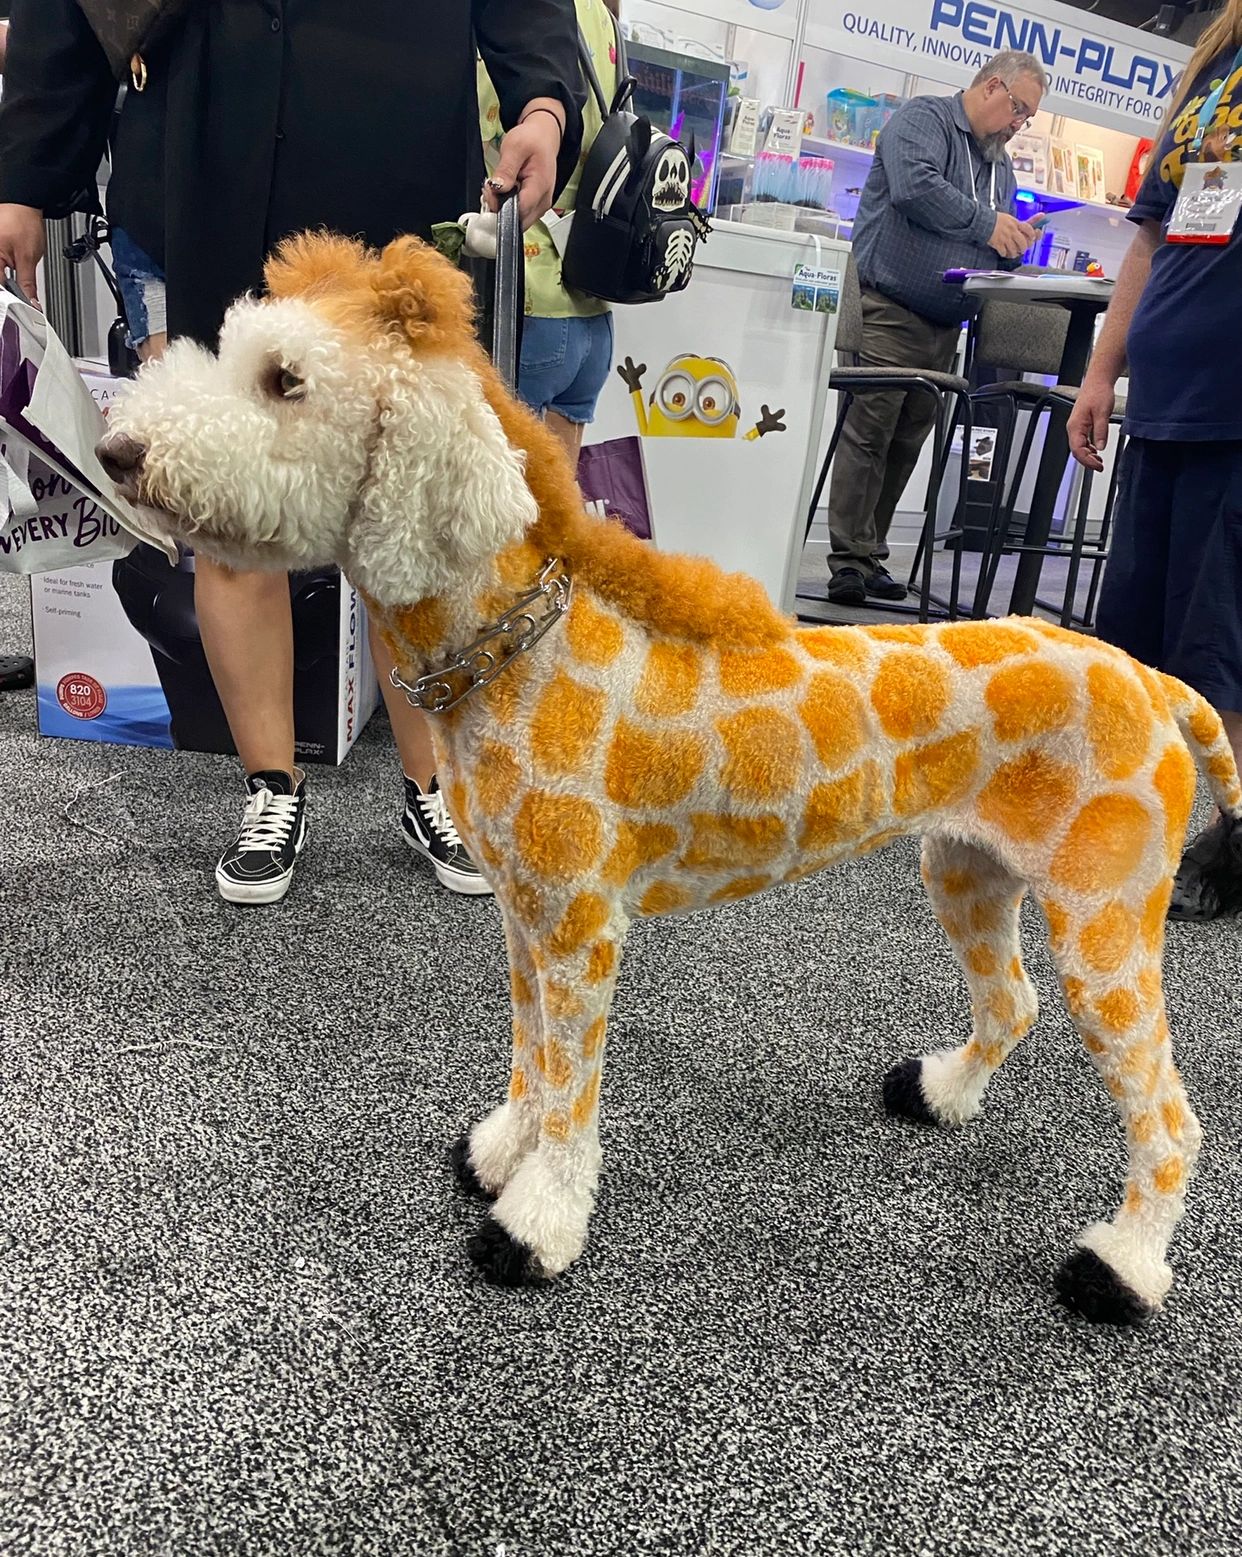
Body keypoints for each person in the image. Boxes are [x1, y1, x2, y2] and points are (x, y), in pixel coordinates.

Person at [0, 0, 582, 903]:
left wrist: (542, 101)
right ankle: (271, 783)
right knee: (218, 508)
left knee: (409, 518)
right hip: (201, 166)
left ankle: (434, 786)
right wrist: (26, 175)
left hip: (396, 175)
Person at [1068, 2, 1242, 923]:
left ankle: (1232, 837)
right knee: (1137, 633)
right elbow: (1147, 239)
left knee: (1220, 643)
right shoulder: (1212, 76)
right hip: (1166, 402)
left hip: (1234, 413)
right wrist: (1103, 370)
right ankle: (1128, 818)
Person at [825, 51, 1045, 607]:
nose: (1020, 125)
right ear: (993, 87)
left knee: (905, 441)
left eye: (1028, 118)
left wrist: (1014, 247)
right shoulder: (924, 120)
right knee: (869, 431)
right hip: (889, 307)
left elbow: (989, 238)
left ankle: (869, 553)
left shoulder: (999, 166)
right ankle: (847, 561)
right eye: (1019, 110)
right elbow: (916, 190)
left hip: (946, 324)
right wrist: (989, 224)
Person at [477, 0, 619, 467]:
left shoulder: (516, 23)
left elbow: (491, 132)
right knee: (554, 523)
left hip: (525, 304)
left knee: (498, 521)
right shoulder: (605, 21)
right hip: (590, 313)